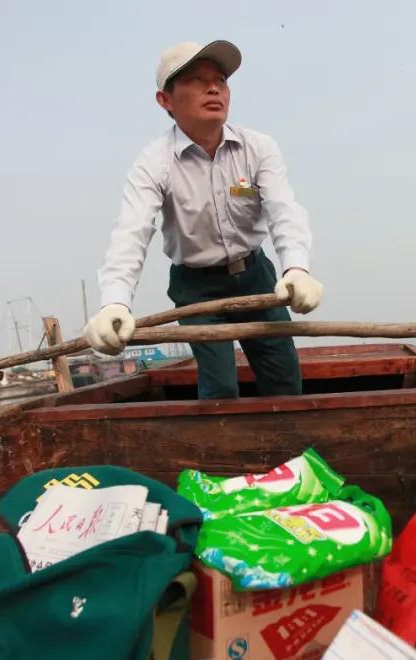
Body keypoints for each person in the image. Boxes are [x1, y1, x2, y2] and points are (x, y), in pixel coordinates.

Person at [84, 40, 323, 399]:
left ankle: (286, 436)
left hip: (255, 276)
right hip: (196, 287)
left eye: (220, 80)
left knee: (285, 381)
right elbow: (131, 233)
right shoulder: (154, 163)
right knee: (219, 390)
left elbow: (284, 211)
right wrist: (114, 302)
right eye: (197, 80)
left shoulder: (258, 148)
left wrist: (297, 269)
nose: (213, 89)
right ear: (165, 100)